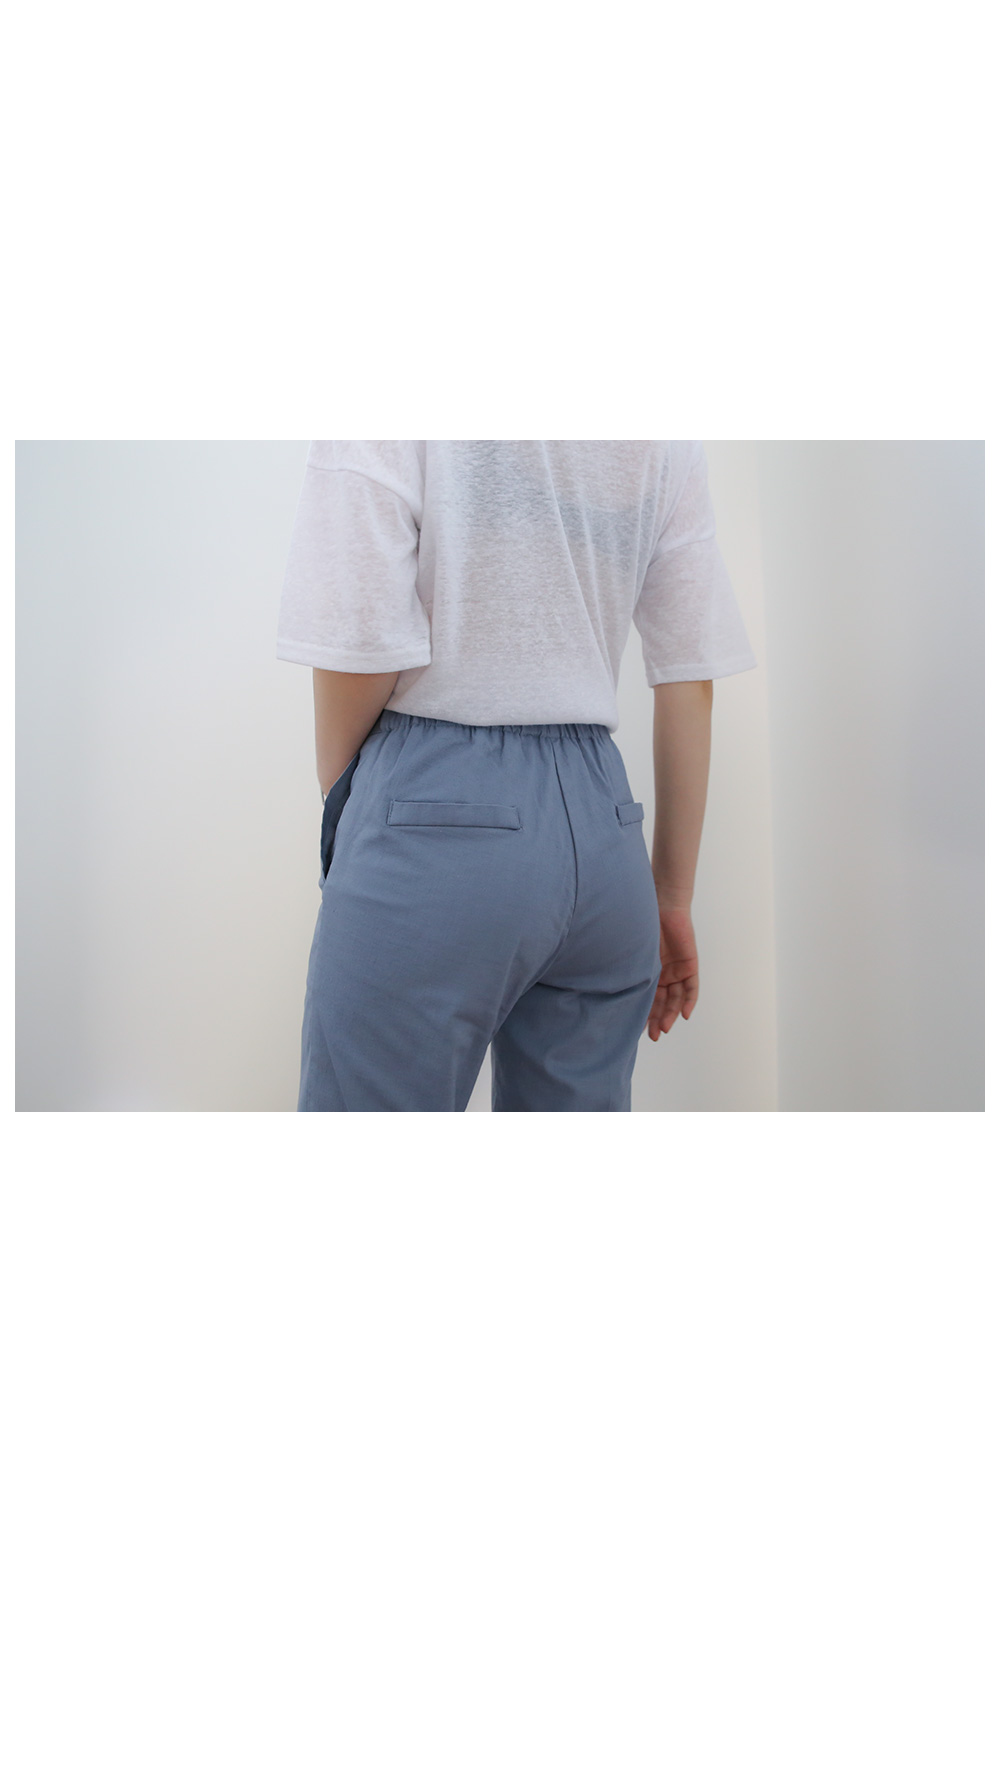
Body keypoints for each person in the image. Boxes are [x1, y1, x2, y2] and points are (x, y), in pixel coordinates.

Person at [276, 440, 757, 1111]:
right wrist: (671, 898)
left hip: (433, 810)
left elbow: (360, 636)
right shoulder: (667, 440)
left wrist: (350, 799)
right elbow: (689, 674)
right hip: (606, 833)